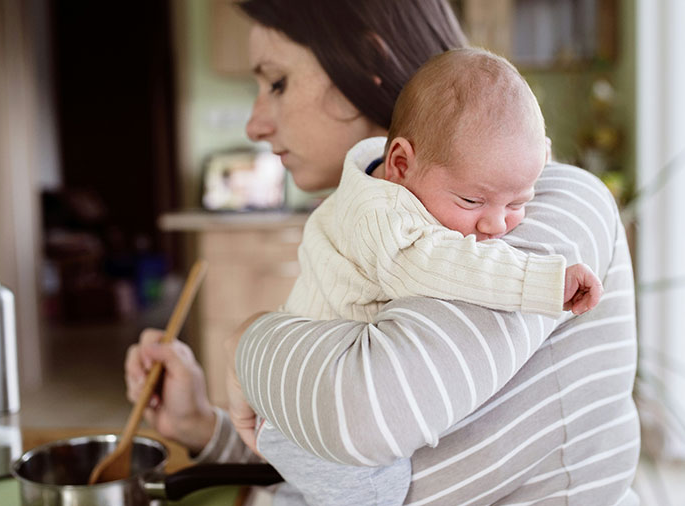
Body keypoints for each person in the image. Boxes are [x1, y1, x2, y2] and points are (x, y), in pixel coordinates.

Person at [125, 1, 640, 505]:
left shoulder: (557, 206)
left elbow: (361, 415)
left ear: (368, 64)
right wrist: (200, 425)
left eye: (276, 82)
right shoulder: (356, 228)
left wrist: (246, 343)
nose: (254, 125)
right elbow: (326, 464)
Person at [250, 48, 604, 505]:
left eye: (517, 203)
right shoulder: (383, 217)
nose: (496, 226)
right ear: (400, 163)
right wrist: (541, 282)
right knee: (379, 492)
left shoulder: (436, 176)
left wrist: (509, 186)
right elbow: (438, 263)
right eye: (472, 202)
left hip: (306, 401)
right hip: (311, 413)